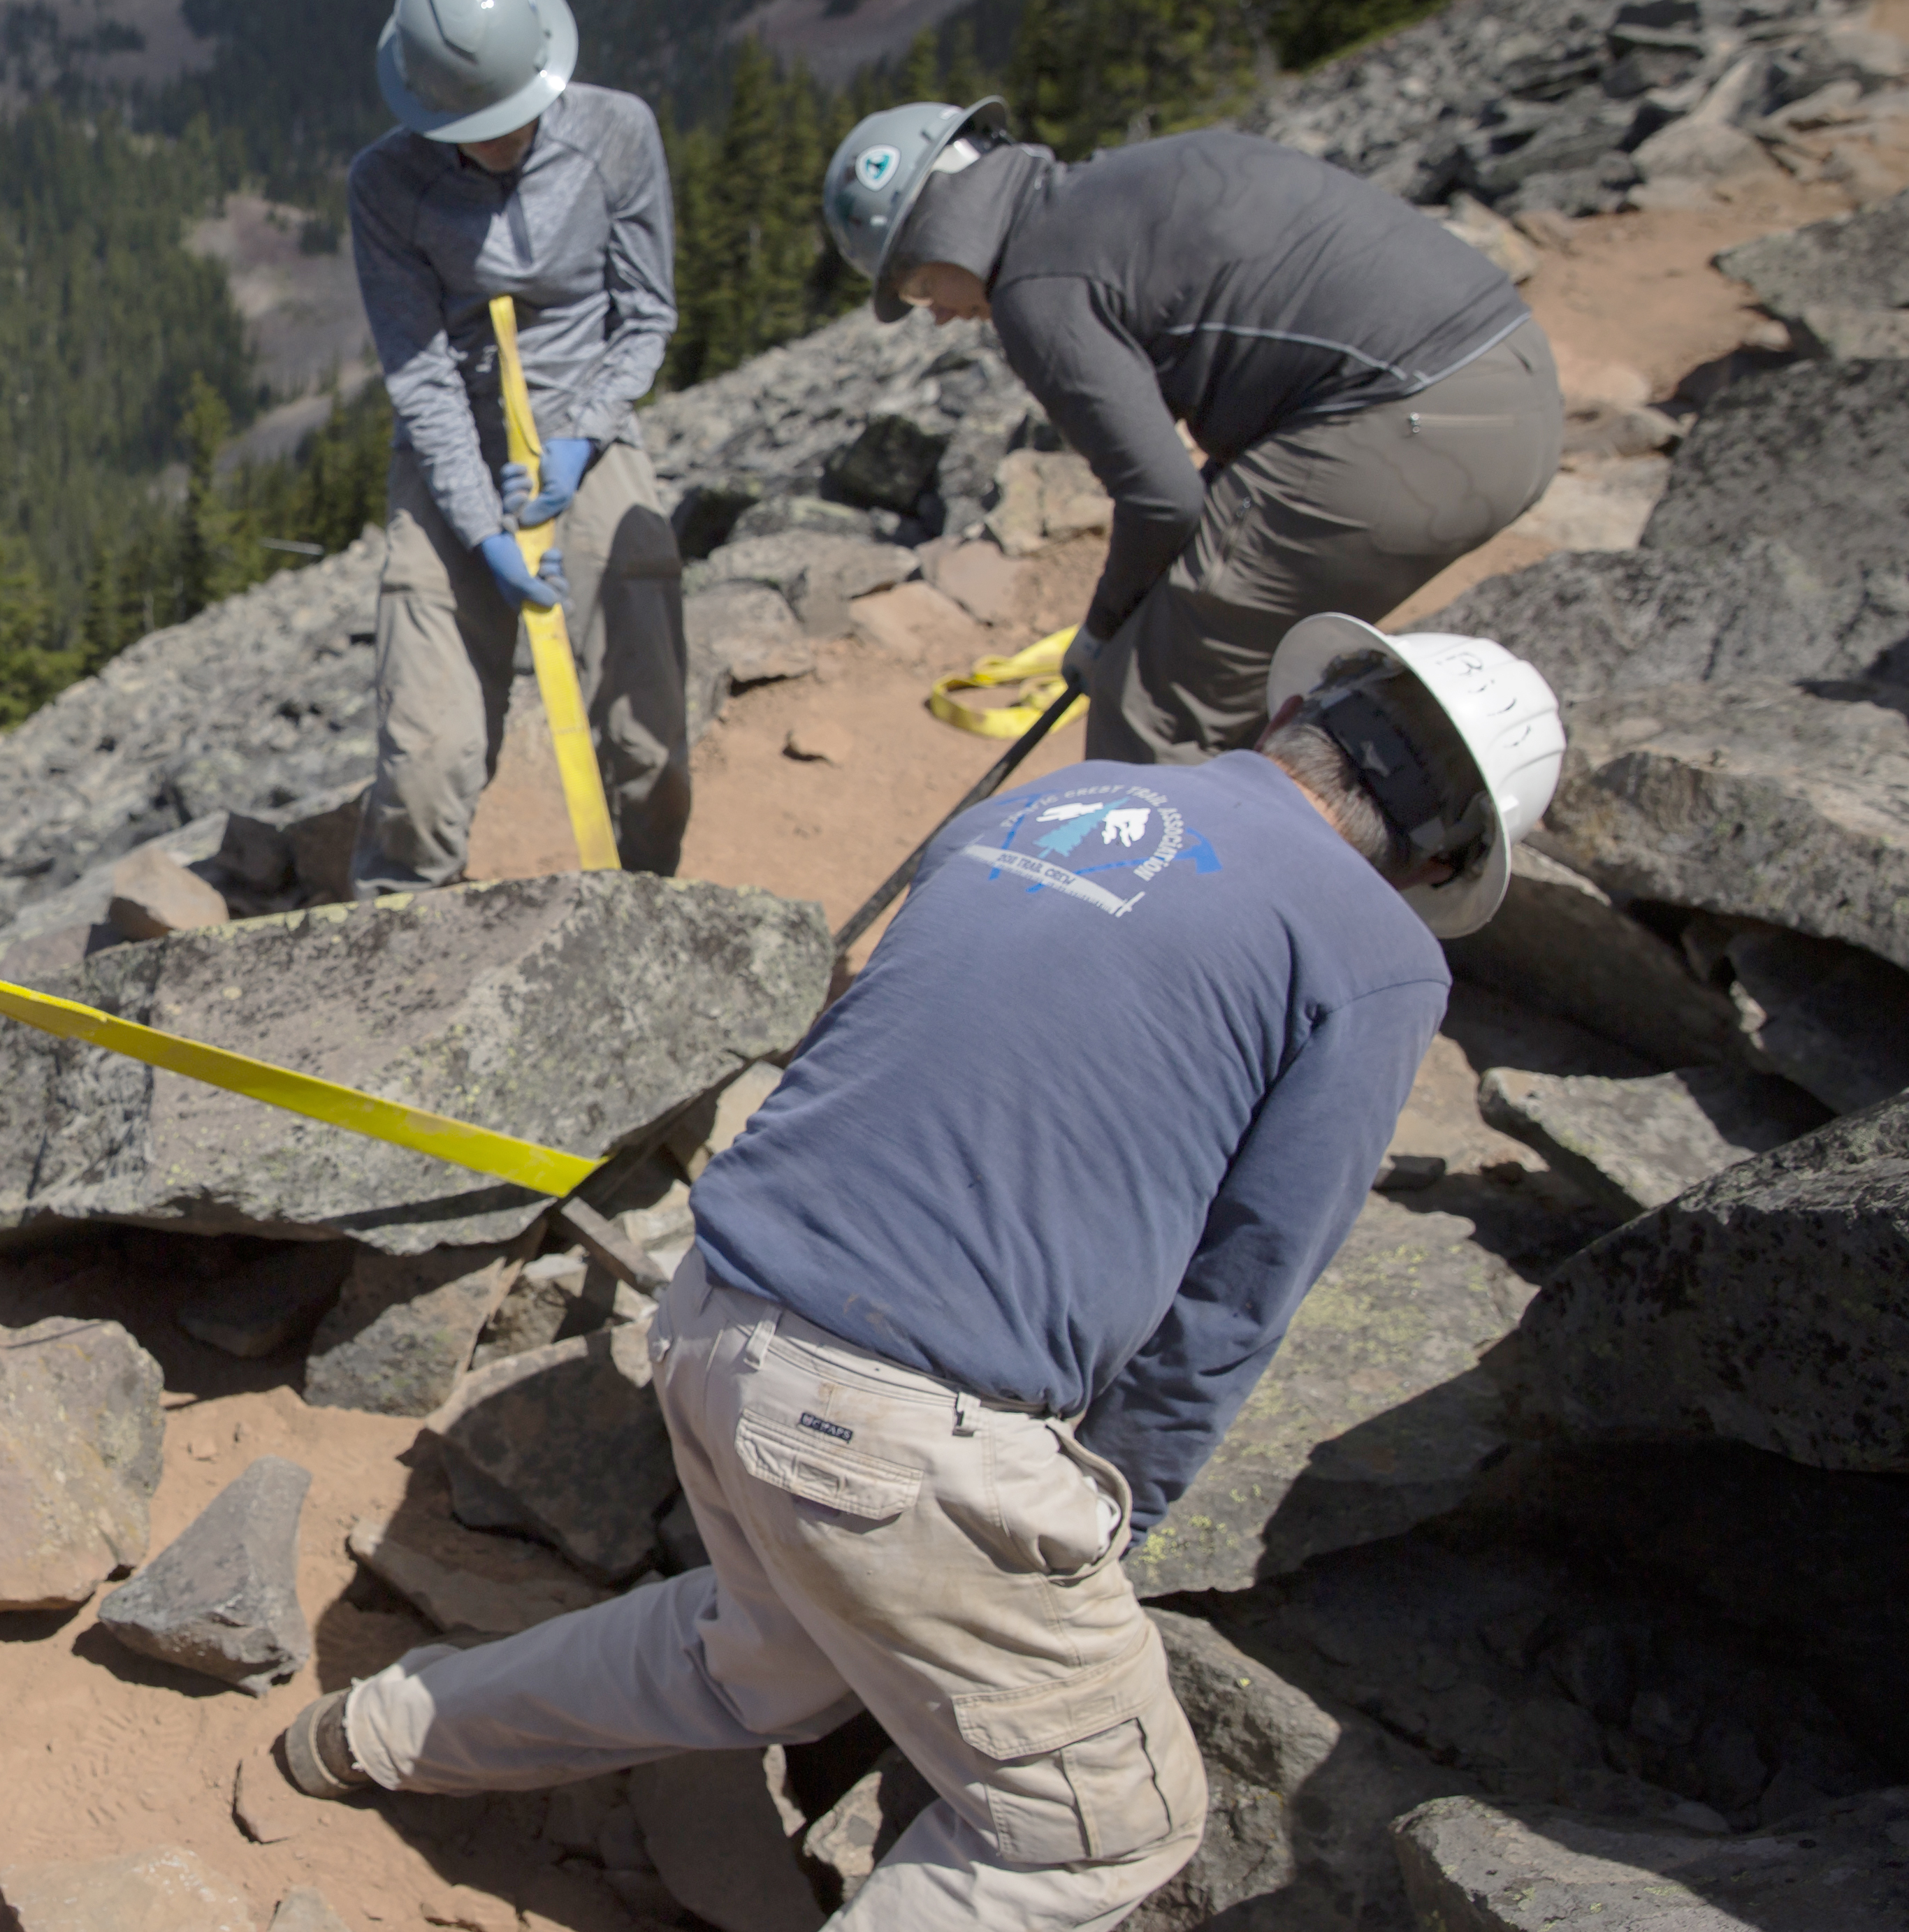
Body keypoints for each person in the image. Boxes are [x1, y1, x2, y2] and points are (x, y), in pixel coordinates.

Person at [275, 619, 1567, 1931]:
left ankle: (364, 1733)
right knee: (1103, 1832)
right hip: (897, 1411)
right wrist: (1117, 1505)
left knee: (760, 1660)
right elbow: (1244, 1286)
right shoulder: (1380, 955)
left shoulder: (1062, 797)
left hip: (720, 1305)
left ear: (1302, 706)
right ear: (1447, 854)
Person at [824, 101, 1562, 766]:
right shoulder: (1143, 169)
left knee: (1147, 705)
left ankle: (1159, 909)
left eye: (916, 286)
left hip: (1412, 425)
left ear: (942, 231)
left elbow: (1161, 497)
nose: (937, 313)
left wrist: (1101, 632)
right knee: (1229, 654)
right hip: (1512, 374)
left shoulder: (1035, 288)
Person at [347, 0, 694, 891]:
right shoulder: (384, 186)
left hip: (590, 424)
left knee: (649, 742)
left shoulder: (618, 133)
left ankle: (648, 917)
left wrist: (579, 436)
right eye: (474, 128)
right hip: (452, 437)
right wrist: (480, 526)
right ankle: (389, 952)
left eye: (515, 119)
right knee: (424, 767)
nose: (503, 141)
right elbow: (418, 375)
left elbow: (647, 315)